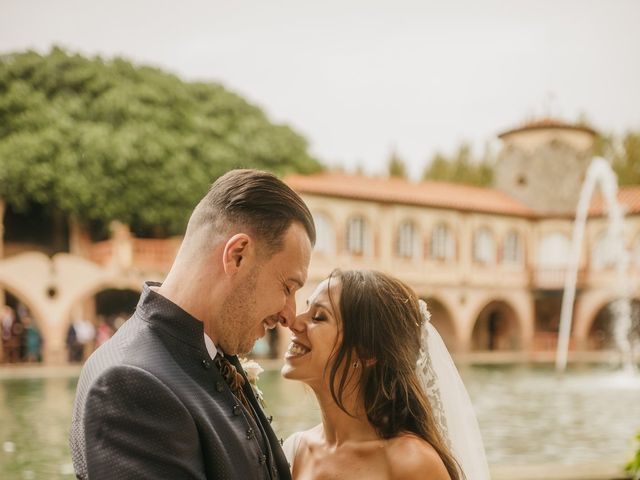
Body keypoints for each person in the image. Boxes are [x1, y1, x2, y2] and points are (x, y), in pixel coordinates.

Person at [70, 169, 315, 480]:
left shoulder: (210, 348)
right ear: (237, 256)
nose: (289, 315)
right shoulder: (131, 385)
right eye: (288, 287)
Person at [282, 269, 490, 480]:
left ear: (367, 351)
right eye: (307, 308)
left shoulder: (411, 462)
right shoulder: (294, 451)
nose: (294, 323)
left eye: (318, 317)